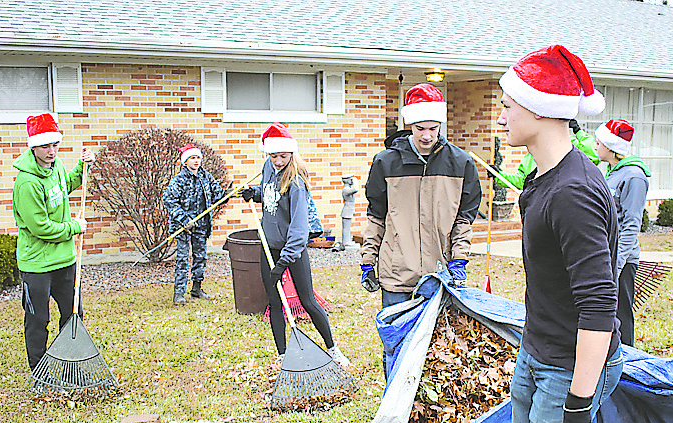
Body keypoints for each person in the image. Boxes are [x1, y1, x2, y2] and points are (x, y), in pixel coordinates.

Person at [472, 45, 655, 423]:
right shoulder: (542, 179)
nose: (501, 115)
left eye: (507, 104)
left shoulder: (575, 191)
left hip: (570, 369)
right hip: (536, 355)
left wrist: (579, 402)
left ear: (542, 110)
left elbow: (601, 309)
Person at [361, 83, 482, 377]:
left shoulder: (461, 163)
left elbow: (463, 219)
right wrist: (368, 259)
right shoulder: (386, 162)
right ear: (409, 125)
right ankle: (395, 404)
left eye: (433, 128)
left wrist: (459, 259)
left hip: (438, 274)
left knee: (433, 346)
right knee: (396, 344)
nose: (427, 136)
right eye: (419, 128)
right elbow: (376, 215)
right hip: (396, 272)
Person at [240, 123, 350, 369]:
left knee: (308, 300)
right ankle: (282, 356)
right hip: (269, 247)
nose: (278, 161)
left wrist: (284, 262)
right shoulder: (268, 168)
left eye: (283, 155)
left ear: (292, 153)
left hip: (293, 250)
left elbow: (299, 229)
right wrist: (255, 193)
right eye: (273, 155)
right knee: (275, 302)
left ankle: (333, 350)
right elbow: (271, 195)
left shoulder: (297, 183)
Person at [12, 113, 93, 371]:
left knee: (73, 313)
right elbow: (40, 227)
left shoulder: (55, 166)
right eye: (45, 146)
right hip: (37, 264)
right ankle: (39, 370)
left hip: (64, 259)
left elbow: (65, 185)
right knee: (38, 319)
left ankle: (67, 360)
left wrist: (82, 168)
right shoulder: (27, 183)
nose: (51, 151)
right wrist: (74, 227)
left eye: (55, 145)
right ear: (33, 146)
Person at [595, 119, 651, 346]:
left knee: (621, 314)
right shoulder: (611, 173)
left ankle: (628, 360)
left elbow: (631, 224)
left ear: (610, 148)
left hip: (622, 261)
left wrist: (617, 264)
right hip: (607, 255)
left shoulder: (634, 177)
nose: (596, 146)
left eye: (599, 143)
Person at [163, 143, 226, 306]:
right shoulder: (179, 180)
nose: (196, 161)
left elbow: (217, 193)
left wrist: (224, 196)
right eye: (192, 158)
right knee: (183, 259)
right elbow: (169, 201)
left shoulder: (206, 176)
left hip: (201, 225)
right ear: (185, 161)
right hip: (183, 227)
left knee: (200, 257)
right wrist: (184, 220)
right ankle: (179, 293)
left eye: (198, 157)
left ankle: (197, 288)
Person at [494, 118, 599, 191]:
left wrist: (578, 131)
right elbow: (522, 180)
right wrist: (499, 175)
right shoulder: (532, 154)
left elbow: (592, 156)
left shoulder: (568, 144)